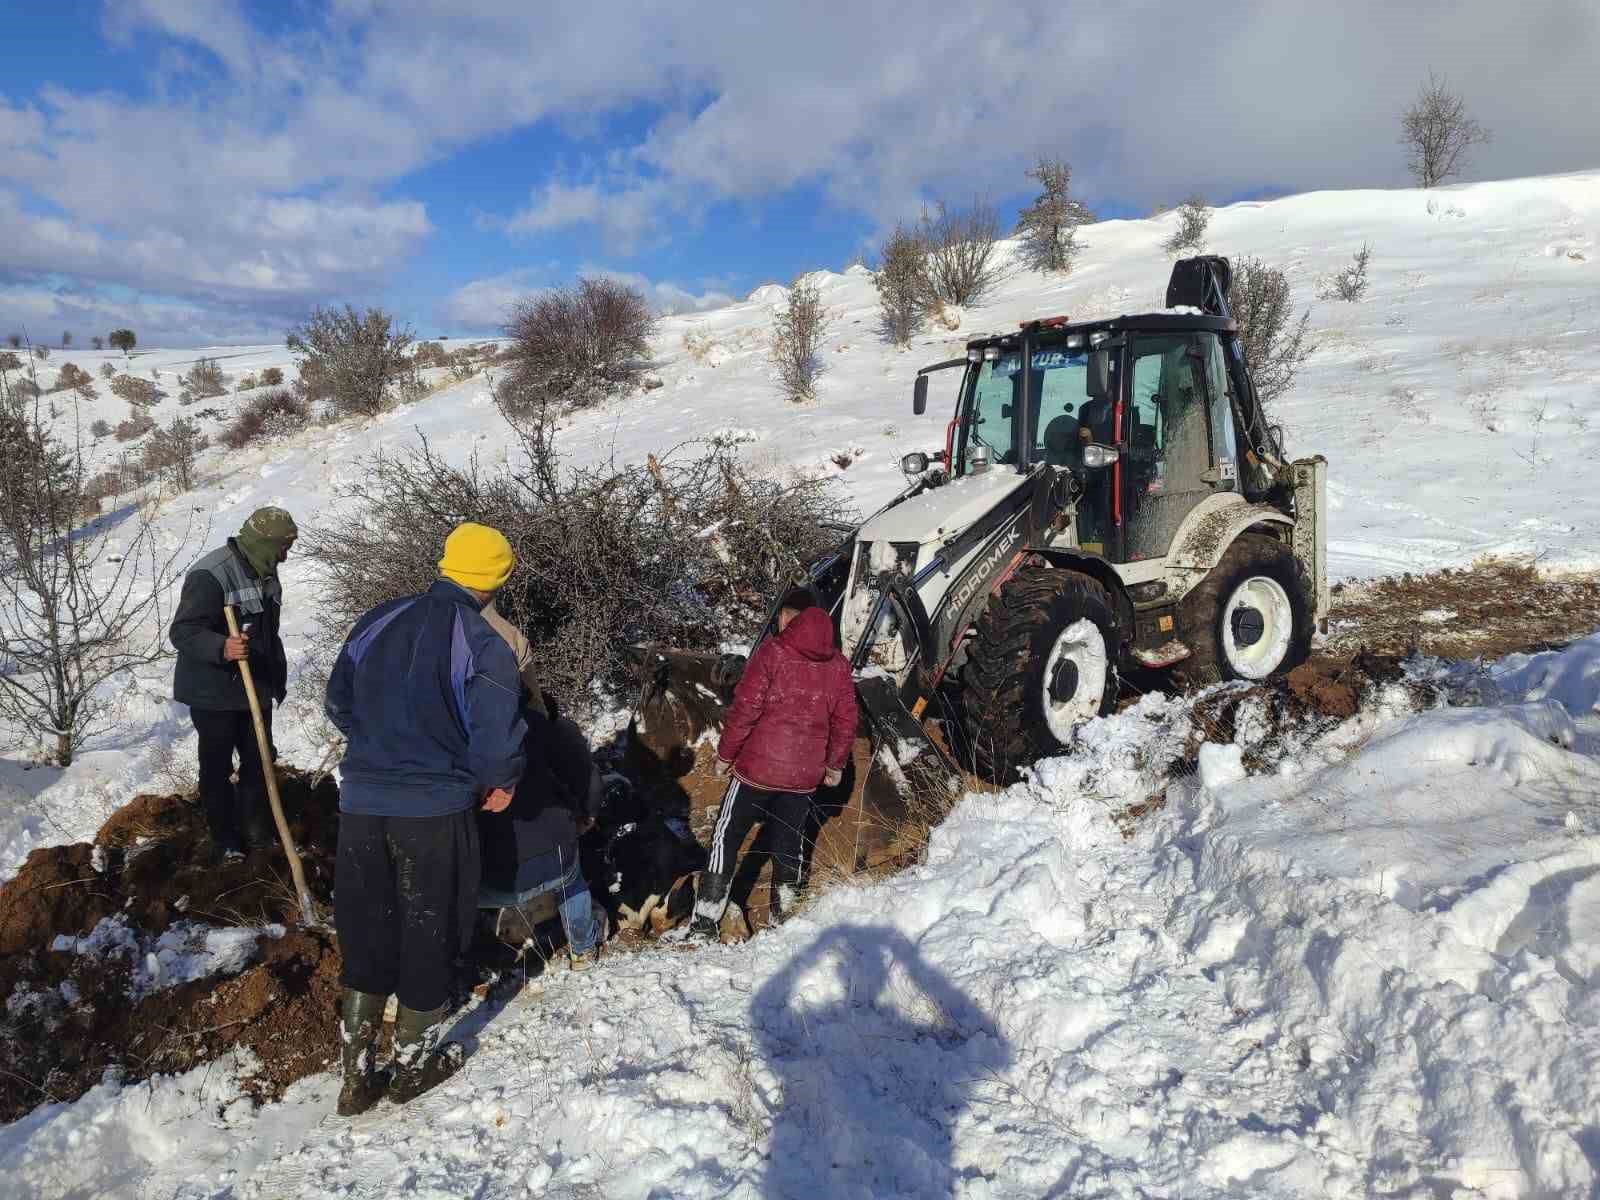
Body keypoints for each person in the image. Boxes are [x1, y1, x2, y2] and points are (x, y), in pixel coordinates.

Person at [323, 522, 528, 1115]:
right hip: (435, 812)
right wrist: (500, 782)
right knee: (430, 928)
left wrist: (376, 755)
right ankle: (412, 1066)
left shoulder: (377, 620)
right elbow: (495, 741)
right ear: (498, 580)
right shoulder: (484, 641)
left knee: (366, 929)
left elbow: (339, 702)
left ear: (444, 563)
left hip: (360, 805)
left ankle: (357, 1075)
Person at [688, 588, 857, 939]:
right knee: (790, 841)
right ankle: (785, 920)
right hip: (802, 778)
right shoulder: (838, 665)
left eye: (782, 614)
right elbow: (845, 721)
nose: (779, 620)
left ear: (790, 617)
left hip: (757, 772)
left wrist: (725, 754)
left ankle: (704, 922)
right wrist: (834, 765)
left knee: (726, 835)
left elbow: (745, 710)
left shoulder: (773, 652)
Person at [169, 506, 297, 862]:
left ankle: (256, 832)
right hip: (213, 690)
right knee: (218, 767)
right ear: (264, 544)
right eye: (284, 547)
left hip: (254, 686)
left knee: (260, 760)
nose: (286, 556)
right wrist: (221, 647)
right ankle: (224, 839)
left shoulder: (267, 572)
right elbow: (183, 631)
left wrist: (273, 679)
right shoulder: (211, 575)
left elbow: (268, 634)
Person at [477, 697, 608, 974]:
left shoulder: (453, 729)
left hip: (484, 884)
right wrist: (587, 816)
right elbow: (590, 779)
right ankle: (582, 948)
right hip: (553, 861)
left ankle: (465, 960)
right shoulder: (550, 726)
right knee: (572, 880)